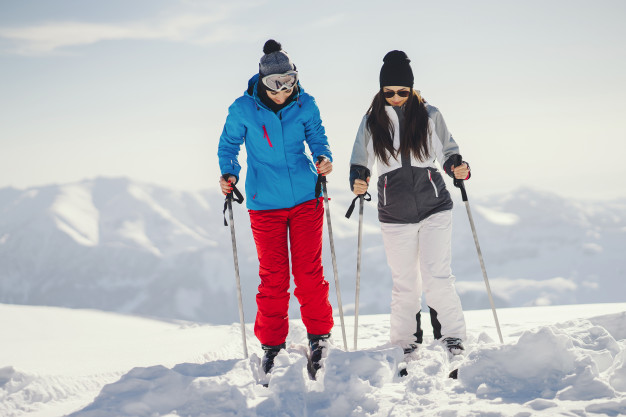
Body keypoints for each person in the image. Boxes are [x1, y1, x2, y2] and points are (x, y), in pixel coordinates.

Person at [218, 39, 334, 376]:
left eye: (289, 81)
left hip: (305, 199)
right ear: (262, 81)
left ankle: (319, 338)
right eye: (274, 84)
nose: (283, 90)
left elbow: (318, 138)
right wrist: (229, 173)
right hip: (264, 203)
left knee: (309, 273)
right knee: (274, 277)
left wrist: (324, 158)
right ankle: (272, 346)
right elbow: (228, 145)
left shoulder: (306, 105)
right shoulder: (243, 109)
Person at [349, 50, 469, 357]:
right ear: (381, 90)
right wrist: (358, 177)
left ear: (412, 89)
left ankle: (452, 336)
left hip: (434, 206)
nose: (396, 97)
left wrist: (457, 165)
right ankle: (405, 341)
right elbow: (360, 158)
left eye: (403, 91)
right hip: (394, 211)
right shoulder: (372, 121)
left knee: (436, 275)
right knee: (405, 283)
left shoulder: (430, 115)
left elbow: (448, 150)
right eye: (389, 92)